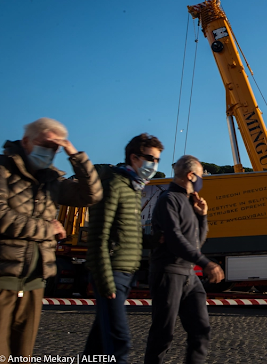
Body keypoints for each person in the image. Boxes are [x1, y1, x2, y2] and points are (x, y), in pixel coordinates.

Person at [0, 118, 102, 358]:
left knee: (23, 353)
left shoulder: (52, 180)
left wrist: (74, 154)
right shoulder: (2, 169)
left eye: (55, 148)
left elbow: (92, 195)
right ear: (25, 141)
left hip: (35, 279)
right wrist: (47, 228)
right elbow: (2, 216)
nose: (49, 152)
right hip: (3, 277)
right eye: (44, 144)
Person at [84, 133, 164, 363]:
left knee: (98, 343)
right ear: (134, 158)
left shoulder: (132, 188)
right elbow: (98, 236)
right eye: (150, 158)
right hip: (112, 274)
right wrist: (105, 280)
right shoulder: (114, 186)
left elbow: (128, 234)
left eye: (157, 160)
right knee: (119, 342)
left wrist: (155, 240)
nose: (154, 165)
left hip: (126, 274)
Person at [144, 155, 224, 364]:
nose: (202, 180)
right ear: (190, 175)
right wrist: (206, 263)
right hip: (168, 273)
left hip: (189, 276)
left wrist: (202, 216)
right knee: (163, 334)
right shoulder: (168, 200)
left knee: (201, 329)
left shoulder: (191, 203)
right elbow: (174, 239)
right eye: (201, 176)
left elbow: (197, 241)